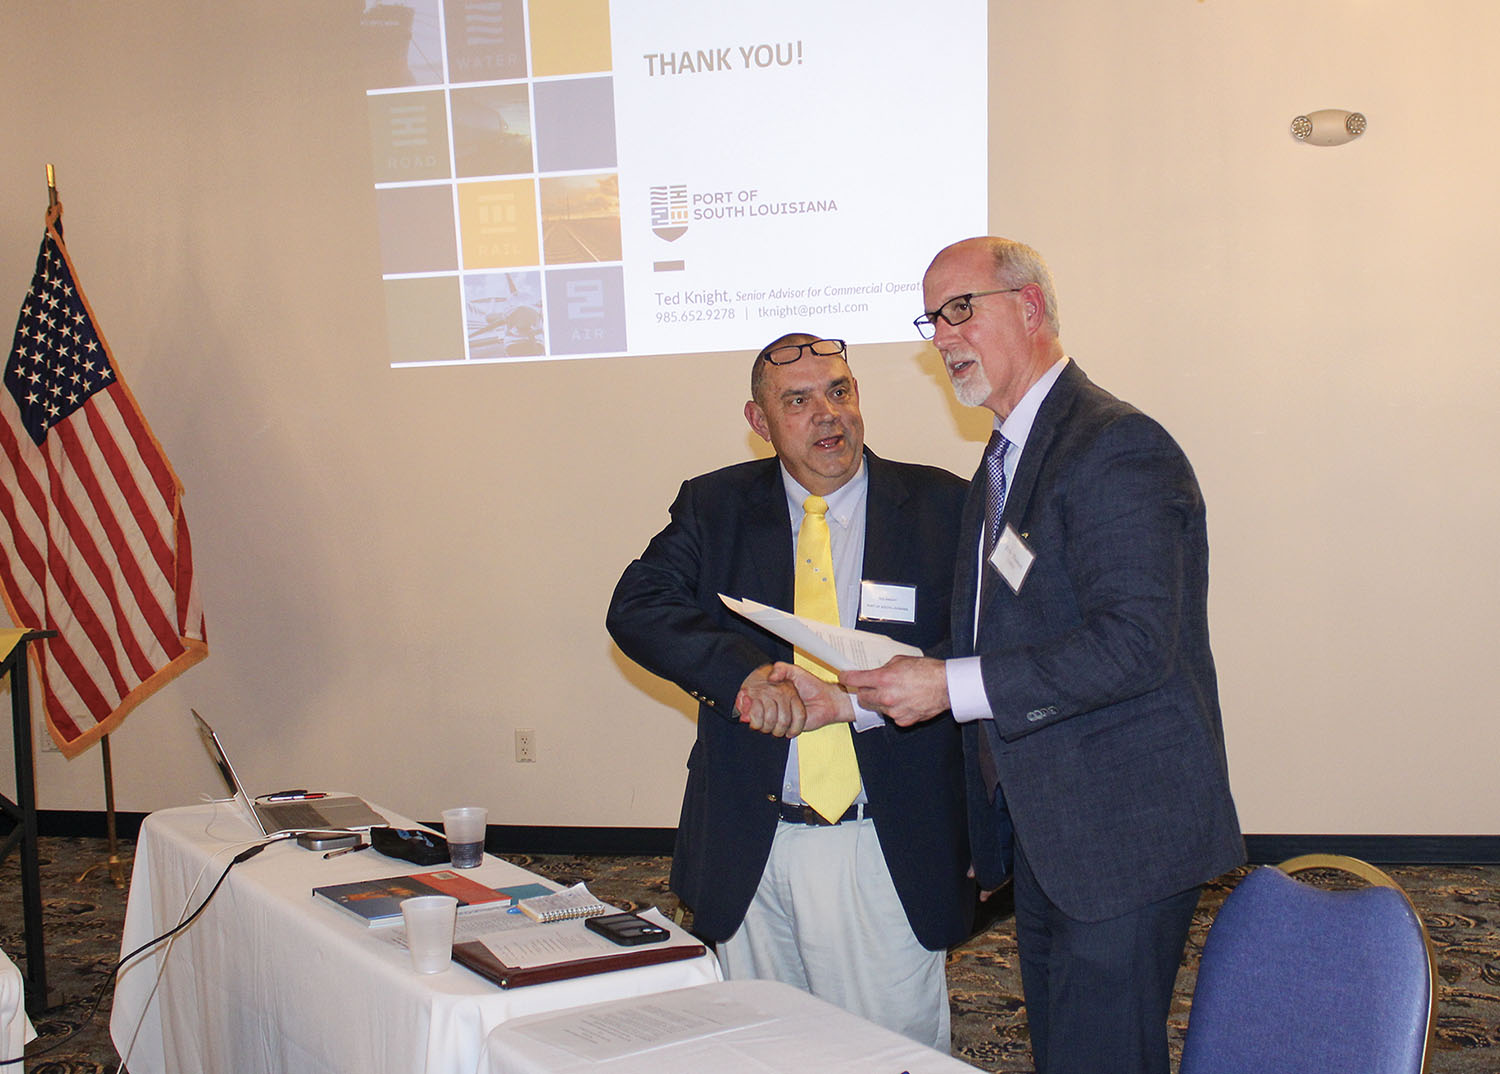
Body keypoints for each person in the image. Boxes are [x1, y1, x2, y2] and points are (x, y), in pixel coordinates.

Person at [773, 239, 1245, 1074]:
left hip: (1121, 839)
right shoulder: (1000, 462)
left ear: (1029, 308)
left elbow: (1135, 645)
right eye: (932, 319)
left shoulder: (1114, 446)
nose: (943, 336)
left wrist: (944, 683)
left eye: (961, 309)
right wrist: (853, 702)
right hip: (1049, 837)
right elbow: (989, 651)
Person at [606, 332, 973, 1050]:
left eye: (840, 391)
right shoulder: (715, 507)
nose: (827, 414)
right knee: (760, 1049)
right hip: (753, 840)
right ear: (759, 421)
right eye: (798, 401)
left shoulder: (942, 507)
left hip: (885, 840)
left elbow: (983, 649)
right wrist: (738, 670)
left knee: (889, 1051)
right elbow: (638, 607)